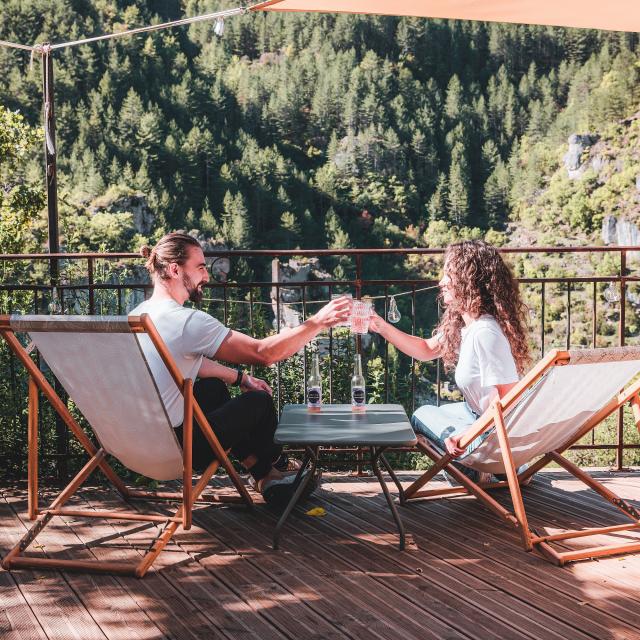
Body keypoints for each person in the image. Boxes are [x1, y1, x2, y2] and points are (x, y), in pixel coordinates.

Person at [129, 232, 351, 506]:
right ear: (175, 269)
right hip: (177, 450)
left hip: (135, 443)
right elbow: (263, 353)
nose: (206, 276)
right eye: (200, 267)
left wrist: (240, 377)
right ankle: (278, 465)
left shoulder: (138, 314)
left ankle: (264, 475)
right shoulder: (187, 321)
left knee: (211, 389)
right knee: (258, 402)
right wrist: (317, 322)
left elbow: (181, 362)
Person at [369, 240, 531, 483]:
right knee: (439, 411)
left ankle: (484, 470)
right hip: (479, 418)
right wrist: (380, 326)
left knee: (422, 413)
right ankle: (481, 462)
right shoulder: (468, 326)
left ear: (470, 281)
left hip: (494, 441)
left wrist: (465, 435)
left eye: (449, 275)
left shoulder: (485, 332)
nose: (441, 282)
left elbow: (508, 400)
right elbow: (425, 349)